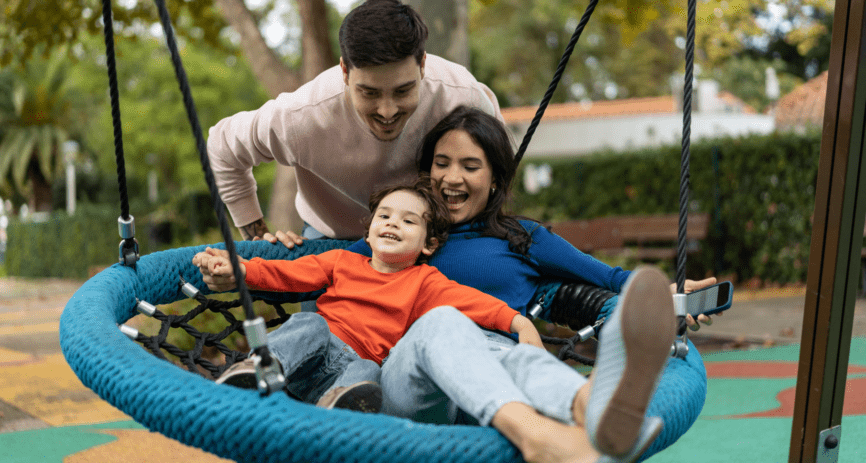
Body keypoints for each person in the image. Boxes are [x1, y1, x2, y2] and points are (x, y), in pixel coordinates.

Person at [198, 106, 716, 461]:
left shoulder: (522, 238)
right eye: (441, 163)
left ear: (494, 179)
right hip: (399, 386)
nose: (452, 177)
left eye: (471, 165)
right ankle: (538, 436)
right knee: (442, 321)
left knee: (516, 352)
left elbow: (609, 278)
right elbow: (303, 271)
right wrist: (265, 246)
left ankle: (593, 409)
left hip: (493, 370)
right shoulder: (390, 245)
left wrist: (675, 299)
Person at [193, 177, 542, 412]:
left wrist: (521, 325)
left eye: (408, 222)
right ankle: (260, 370)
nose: (392, 224)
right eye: (385, 216)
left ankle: (334, 414)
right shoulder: (342, 261)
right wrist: (241, 269)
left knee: (370, 371)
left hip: (349, 370)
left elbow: (475, 304)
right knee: (310, 324)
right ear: (370, 232)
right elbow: (287, 274)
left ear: (428, 244)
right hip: (306, 357)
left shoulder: (425, 282)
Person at [206, 0, 501, 244]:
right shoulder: (301, 116)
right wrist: (256, 236)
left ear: (422, 64)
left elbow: (500, 158)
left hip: (438, 238)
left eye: (403, 91)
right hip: (333, 239)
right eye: (369, 93)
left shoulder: (461, 94)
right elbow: (222, 146)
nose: (387, 111)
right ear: (345, 72)